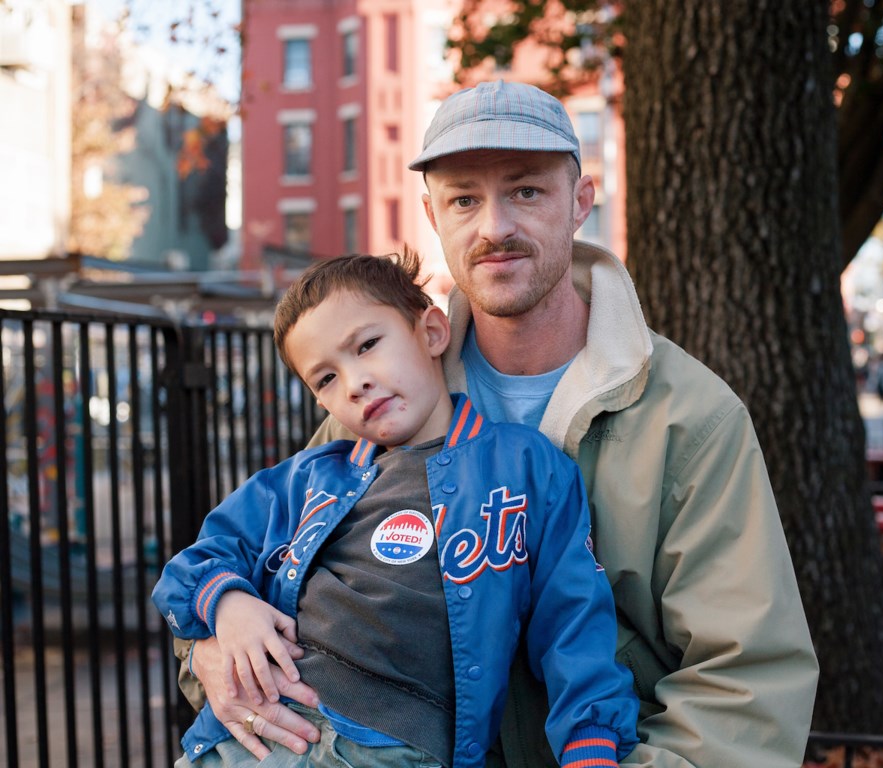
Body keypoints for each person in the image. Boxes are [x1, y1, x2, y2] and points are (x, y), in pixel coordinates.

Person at [180, 80, 819, 767]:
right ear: (434, 216)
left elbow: (745, 685)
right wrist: (209, 651)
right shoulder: (383, 405)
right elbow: (266, 566)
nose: (493, 227)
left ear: (580, 202)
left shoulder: (689, 418)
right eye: (464, 199)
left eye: (526, 191)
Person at [153, 251, 641, 767]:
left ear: (431, 332)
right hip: (255, 737)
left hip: (397, 751)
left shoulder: (525, 467)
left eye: (367, 346)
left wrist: (591, 748)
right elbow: (195, 562)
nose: (355, 382)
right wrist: (228, 605)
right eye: (326, 379)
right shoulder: (308, 478)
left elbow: (574, 620)